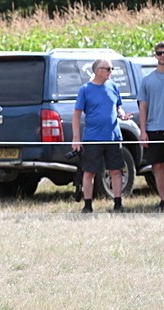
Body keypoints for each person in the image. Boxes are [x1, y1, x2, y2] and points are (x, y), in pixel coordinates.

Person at [72, 58, 132, 213]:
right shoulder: (85, 90)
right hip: (92, 138)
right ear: (98, 70)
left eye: (112, 69)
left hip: (113, 137)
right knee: (89, 172)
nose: (111, 72)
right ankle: (87, 205)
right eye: (108, 69)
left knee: (116, 170)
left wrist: (122, 115)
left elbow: (118, 107)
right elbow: (76, 115)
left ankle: (118, 203)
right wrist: (76, 138)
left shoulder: (113, 86)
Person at [137, 41, 164, 212]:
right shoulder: (147, 80)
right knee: (158, 166)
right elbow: (143, 107)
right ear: (155, 55)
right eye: (160, 53)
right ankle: (163, 199)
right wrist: (142, 131)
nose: (163, 56)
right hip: (154, 129)